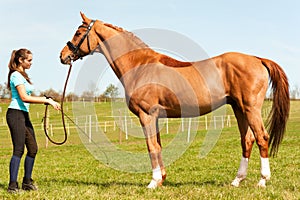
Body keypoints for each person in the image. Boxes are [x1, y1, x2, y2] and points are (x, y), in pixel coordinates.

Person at [6, 48, 61, 193]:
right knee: (19, 149)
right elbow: (24, 97)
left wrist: (45, 99)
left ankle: (27, 182)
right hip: (15, 114)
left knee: (33, 148)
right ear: (20, 60)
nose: (31, 63)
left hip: (23, 114)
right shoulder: (15, 75)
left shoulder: (23, 75)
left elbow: (28, 97)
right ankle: (12, 186)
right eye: (29, 60)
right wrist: (46, 101)